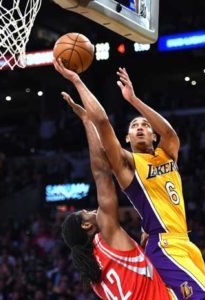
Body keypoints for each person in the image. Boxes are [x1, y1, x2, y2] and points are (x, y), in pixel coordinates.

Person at [54, 59, 205, 300]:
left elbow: (170, 133)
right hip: (164, 245)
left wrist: (133, 100)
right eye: (134, 126)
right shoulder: (127, 165)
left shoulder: (167, 152)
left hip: (184, 241)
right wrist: (77, 82)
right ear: (127, 139)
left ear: (153, 134)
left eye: (145, 125)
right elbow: (103, 128)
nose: (140, 127)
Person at [61, 94, 171, 299]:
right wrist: (87, 121)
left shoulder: (95, 277)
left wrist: (142, 250)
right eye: (87, 212)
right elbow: (101, 172)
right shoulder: (107, 234)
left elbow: (134, 279)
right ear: (87, 226)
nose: (93, 210)